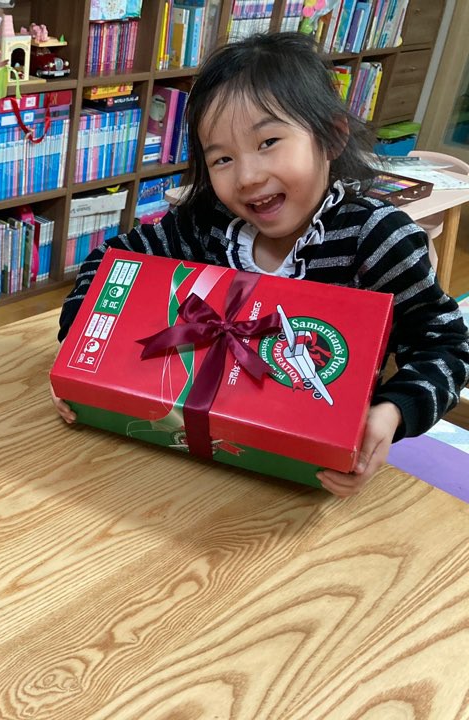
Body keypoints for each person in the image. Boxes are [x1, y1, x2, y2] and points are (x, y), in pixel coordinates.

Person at [52, 33, 469, 498]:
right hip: (190, 461)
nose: (248, 176)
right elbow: (110, 264)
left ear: (330, 137)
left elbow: (446, 345)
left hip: (309, 477)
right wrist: (81, 355)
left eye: (268, 141)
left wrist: (390, 413)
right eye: (223, 158)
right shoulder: (204, 224)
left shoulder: (377, 239)